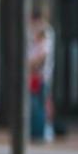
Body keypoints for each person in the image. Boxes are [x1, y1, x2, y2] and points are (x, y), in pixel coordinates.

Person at [28, 8, 56, 143]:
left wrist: (30, 65)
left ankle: (44, 131)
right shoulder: (35, 33)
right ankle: (38, 131)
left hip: (41, 77)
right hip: (35, 77)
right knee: (36, 104)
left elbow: (42, 56)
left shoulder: (46, 33)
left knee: (42, 103)